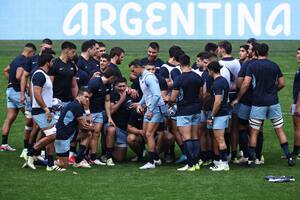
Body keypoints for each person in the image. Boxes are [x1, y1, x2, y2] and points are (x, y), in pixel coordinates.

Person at [232, 43, 295, 166]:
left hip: (258, 103)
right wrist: (272, 90)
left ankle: (251, 159)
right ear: (267, 52)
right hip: (273, 102)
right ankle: (289, 156)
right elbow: (282, 83)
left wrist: (238, 98)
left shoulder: (252, 66)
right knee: (279, 130)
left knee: (254, 132)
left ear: (255, 53)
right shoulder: (274, 65)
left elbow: (245, 84)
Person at [23, 53, 65, 171]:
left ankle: (50, 165)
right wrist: (46, 109)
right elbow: (36, 93)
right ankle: (31, 154)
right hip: (41, 110)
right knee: (52, 135)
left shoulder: (43, 74)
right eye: (52, 61)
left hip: (44, 110)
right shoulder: (39, 75)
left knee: (50, 136)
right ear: (48, 62)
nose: (53, 64)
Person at [130, 59, 166, 169]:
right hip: (150, 107)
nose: (132, 73)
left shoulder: (149, 77)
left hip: (156, 108)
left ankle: (151, 162)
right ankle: (155, 158)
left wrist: (150, 110)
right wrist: (140, 104)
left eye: (133, 70)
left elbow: (156, 95)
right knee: (145, 133)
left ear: (138, 67)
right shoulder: (141, 78)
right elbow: (146, 95)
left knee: (149, 134)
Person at [170, 54, 204, 171]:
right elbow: (202, 94)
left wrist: (167, 99)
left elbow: (173, 98)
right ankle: (196, 163)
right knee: (195, 137)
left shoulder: (179, 79)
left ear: (179, 63)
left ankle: (190, 164)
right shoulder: (197, 77)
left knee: (186, 138)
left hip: (184, 111)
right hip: (196, 109)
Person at [1, 43, 36, 151]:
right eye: (33, 54)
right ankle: (29, 146)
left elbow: (5, 70)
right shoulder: (24, 61)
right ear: (30, 52)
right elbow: (18, 75)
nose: (33, 56)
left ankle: (4, 144)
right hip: (17, 92)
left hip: (10, 91)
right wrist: (24, 86)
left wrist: (11, 82)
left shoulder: (16, 59)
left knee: (10, 118)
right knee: (32, 117)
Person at [55, 88, 94, 170]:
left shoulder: (76, 105)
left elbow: (83, 125)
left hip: (68, 134)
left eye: (89, 98)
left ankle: (78, 161)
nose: (87, 99)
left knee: (88, 134)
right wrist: (91, 126)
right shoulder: (76, 106)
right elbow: (85, 125)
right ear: (79, 96)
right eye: (86, 97)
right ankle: (48, 163)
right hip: (64, 137)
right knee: (63, 166)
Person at [87, 67, 117, 165]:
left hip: (99, 112)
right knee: (87, 133)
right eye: (114, 78)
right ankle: (82, 156)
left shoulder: (108, 85)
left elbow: (107, 100)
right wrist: (87, 113)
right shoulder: (94, 83)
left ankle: (93, 157)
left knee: (96, 134)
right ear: (111, 77)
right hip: (90, 112)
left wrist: (109, 117)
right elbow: (86, 98)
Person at [218, 40, 241, 162]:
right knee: (235, 128)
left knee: (225, 126)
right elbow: (239, 81)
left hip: (225, 97)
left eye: (218, 48)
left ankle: (225, 153)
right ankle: (234, 153)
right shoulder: (237, 62)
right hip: (235, 95)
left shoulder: (219, 63)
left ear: (222, 49)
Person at [206, 61, 230, 171]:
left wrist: (211, 116)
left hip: (220, 114)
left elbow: (218, 102)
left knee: (220, 139)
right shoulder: (223, 80)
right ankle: (222, 161)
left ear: (211, 70)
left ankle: (224, 163)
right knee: (220, 139)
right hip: (224, 113)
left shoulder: (217, 83)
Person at [49, 41, 78, 106]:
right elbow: (50, 85)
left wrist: (76, 100)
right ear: (66, 51)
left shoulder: (72, 65)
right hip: (56, 101)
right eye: (73, 52)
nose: (74, 54)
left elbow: (74, 85)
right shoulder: (55, 64)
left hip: (69, 101)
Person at [291, 47, 300, 159]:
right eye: (298, 53)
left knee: (298, 128)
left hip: (299, 103)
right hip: (297, 101)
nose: (298, 55)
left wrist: (297, 105)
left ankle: (296, 152)